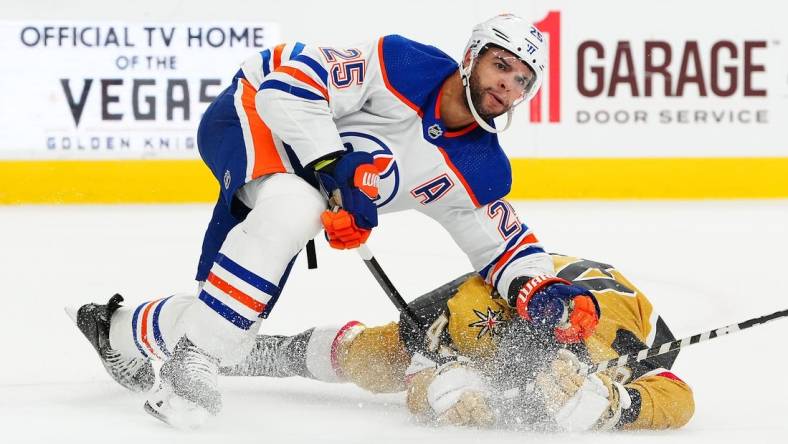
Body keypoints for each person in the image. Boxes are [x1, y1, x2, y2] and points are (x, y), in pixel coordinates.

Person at [70, 14, 601, 427]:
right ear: (471, 58)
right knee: (297, 208)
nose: (507, 83)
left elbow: (501, 247)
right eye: (500, 65)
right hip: (251, 110)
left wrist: (541, 289)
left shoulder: (479, 167)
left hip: (299, 175)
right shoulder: (401, 65)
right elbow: (285, 87)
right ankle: (192, 367)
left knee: (237, 311)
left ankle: (115, 329)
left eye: (522, 79)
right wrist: (337, 168)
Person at [219, 254, 696, 431]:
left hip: (582, 300)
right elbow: (419, 381)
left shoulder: (619, 339)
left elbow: (679, 399)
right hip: (501, 289)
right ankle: (262, 352)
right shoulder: (471, 316)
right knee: (376, 359)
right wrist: (438, 393)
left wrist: (619, 405)